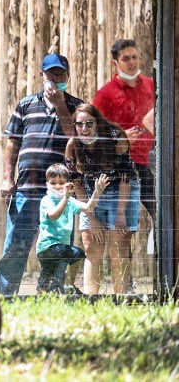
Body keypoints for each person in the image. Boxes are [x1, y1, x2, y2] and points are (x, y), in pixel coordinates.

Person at [0, 54, 84, 295]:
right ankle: (5, 297)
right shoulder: (26, 104)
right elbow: (12, 142)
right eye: (51, 74)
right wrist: (7, 178)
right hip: (26, 189)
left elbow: (74, 140)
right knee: (15, 246)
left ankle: (51, 293)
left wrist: (59, 106)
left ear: (67, 76)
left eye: (60, 74)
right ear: (41, 75)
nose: (55, 79)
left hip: (59, 194)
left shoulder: (76, 106)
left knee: (57, 247)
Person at [65, 104, 141, 294]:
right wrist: (90, 216)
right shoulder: (73, 146)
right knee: (91, 248)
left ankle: (121, 300)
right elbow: (77, 183)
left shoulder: (115, 137)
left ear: (97, 123)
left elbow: (125, 176)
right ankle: (92, 301)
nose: (84, 129)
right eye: (79, 124)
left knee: (118, 250)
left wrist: (121, 214)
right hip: (92, 196)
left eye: (89, 124)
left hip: (122, 191)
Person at [93, 39, 155, 221]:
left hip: (149, 165)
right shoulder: (105, 94)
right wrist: (120, 138)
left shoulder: (151, 84)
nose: (132, 63)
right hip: (121, 166)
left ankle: (163, 250)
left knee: (162, 214)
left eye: (134, 57)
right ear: (115, 63)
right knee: (122, 224)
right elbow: (92, 133)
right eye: (126, 59)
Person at [35, 164, 109, 295]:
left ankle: (41, 298)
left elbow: (88, 207)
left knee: (46, 277)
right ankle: (65, 286)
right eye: (53, 183)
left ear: (67, 184)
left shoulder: (70, 201)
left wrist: (97, 192)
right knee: (77, 254)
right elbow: (54, 215)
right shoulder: (46, 200)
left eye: (61, 183)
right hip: (47, 247)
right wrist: (66, 197)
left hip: (61, 247)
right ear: (47, 184)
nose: (57, 186)